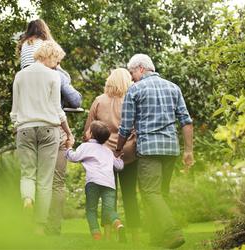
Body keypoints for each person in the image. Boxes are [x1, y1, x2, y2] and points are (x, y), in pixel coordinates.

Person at [116, 54, 194, 249]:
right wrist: (188, 150)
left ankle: (173, 231)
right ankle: (158, 239)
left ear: (141, 69)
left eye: (132, 72)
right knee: (161, 194)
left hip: (149, 148)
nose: (132, 77)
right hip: (170, 148)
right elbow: (186, 121)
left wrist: (118, 148)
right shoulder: (173, 87)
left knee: (150, 192)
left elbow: (125, 126)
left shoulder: (135, 90)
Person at [17, 19, 82, 235]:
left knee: (28, 174)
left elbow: (14, 110)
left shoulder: (20, 73)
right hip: (48, 128)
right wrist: (68, 131)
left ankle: (27, 199)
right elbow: (58, 109)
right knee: (47, 180)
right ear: (50, 56)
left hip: (24, 127)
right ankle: (40, 228)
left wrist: (20, 124)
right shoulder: (54, 75)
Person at [83, 68, 141, 242]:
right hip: (129, 154)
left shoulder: (99, 101)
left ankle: (108, 237)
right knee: (130, 195)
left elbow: (88, 132)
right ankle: (136, 238)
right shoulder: (132, 101)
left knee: (108, 196)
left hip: (104, 156)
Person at [66, 121, 127, 242]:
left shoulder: (85, 146)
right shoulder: (108, 151)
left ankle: (97, 236)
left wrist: (68, 148)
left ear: (91, 134)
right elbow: (119, 167)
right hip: (109, 184)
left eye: (88, 130)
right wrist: (119, 158)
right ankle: (118, 225)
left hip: (93, 182)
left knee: (91, 210)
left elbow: (73, 157)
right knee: (109, 210)